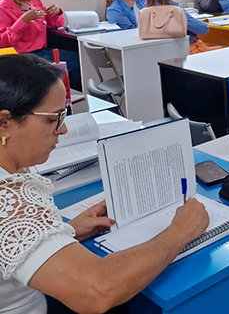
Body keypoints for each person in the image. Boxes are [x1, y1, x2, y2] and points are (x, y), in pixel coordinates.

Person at [0, 54, 209, 314]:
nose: (62, 130)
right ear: (5, 122)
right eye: (52, 119)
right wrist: (181, 232)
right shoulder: (8, 200)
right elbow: (97, 291)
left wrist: (65, 232)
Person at [0, 0, 80, 90]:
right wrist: (23, 20)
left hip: (44, 51)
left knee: (80, 60)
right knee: (73, 66)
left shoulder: (34, 2)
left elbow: (51, 25)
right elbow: (4, 42)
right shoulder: (3, 8)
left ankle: (76, 97)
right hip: (22, 56)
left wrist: (56, 13)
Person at [145, 0, 211, 54]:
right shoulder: (174, 11)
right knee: (226, 47)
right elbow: (203, 29)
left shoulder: (148, 10)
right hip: (190, 49)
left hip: (168, 52)